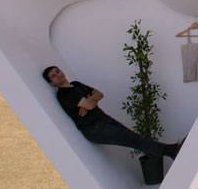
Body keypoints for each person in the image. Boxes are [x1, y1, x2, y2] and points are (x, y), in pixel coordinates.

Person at [42, 66, 184, 161]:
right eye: (53, 76)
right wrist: (90, 101)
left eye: (57, 71)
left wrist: (89, 100)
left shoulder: (76, 84)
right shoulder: (64, 95)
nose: (57, 75)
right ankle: (171, 150)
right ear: (52, 83)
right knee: (132, 139)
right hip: (94, 129)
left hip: (103, 119)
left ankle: (166, 153)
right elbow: (91, 104)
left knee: (133, 138)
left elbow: (99, 94)